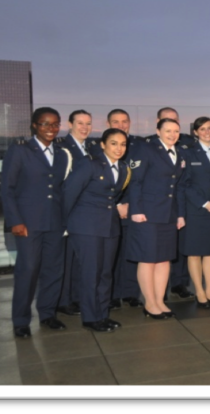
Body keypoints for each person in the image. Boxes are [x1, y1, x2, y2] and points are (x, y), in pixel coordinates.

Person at [1, 107, 72, 337]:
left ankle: (48, 314)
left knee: (53, 270)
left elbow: (60, 190)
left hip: (55, 222)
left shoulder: (61, 154)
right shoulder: (20, 150)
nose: (51, 128)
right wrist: (15, 221)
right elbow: (7, 189)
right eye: (45, 123)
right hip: (28, 223)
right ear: (34, 125)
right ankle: (21, 320)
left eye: (55, 124)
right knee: (28, 270)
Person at [62, 128, 130, 332]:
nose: (119, 148)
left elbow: (113, 197)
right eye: (113, 143)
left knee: (105, 273)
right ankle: (91, 317)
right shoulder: (89, 164)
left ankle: (102, 314)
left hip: (109, 226)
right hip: (86, 226)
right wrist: (65, 224)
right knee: (91, 273)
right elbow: (68, 193)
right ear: (103, 145)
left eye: (123, 144)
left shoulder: (123, 168)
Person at [126, 117, 186, 319]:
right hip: (148, 214)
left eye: (176, 131)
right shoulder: (146, 149)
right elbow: (135, 181)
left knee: (164, 259)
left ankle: (160, 301)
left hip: (169, 214)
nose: (172, 135)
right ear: (158, 131)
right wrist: (136, 210)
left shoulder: (179, 152)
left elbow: (177, 187)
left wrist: (180, 214)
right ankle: (149, 303)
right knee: (148, 259)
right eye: (168, 130)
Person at [177, 117, 210, 309]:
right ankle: (199, 291)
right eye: (202, 129)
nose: (207, 132)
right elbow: (184, 184)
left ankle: (209, 290)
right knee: (195, 253)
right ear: (195, 132)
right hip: (196, 210)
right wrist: (204, 203)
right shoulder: (187, 153)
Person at [56, 109, 97, 317]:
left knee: (79, 260)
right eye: (80, 123)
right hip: (68, 211)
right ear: (70, 125)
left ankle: (76, 297)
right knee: (65, 259)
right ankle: (63, 301)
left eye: (88, 123)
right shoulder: (62, 149)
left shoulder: (91, 148)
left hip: (86, 214)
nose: (84, 127)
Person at [103, 109, 145, 310]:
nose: (121, 125)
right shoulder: (99, 147)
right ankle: (112, 295)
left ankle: (130, 293)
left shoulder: (140, 146)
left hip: (134, 208)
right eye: (116, 122)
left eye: (124, 121)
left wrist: (131, 205)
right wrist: (118, 204)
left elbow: (142, 179)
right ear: (108, 124)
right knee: (111, 255)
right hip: (110, 209)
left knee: (131, 252)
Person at [156, 107, 195, 300]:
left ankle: (179, 283)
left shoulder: (186, 145)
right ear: (158, 125)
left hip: (179, 203)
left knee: (180, 248)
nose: (172, 129)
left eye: (175, 122)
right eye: (167, 122)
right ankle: (158, 291)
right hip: (157, 207)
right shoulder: (149, 147)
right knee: (158, 253)